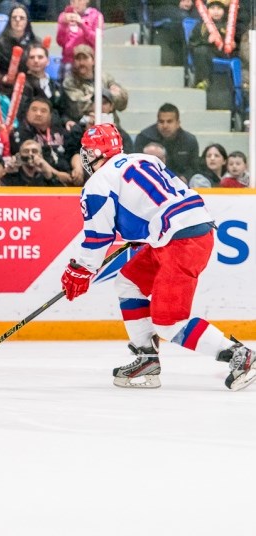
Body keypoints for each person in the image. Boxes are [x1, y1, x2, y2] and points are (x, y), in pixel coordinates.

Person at [60, 123, 256, 391]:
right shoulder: (145, 158)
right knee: (128, 282)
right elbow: (172, 194)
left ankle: (240, 356)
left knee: (168, 322)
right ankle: (146, 358)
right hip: (184, 232)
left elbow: (98, 235)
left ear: (93, 152)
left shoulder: (98, 182)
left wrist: (81, 269)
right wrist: (147, 230)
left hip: (180, 242)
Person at [61, 44, 128, 126]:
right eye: (78, 59)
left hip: (112, 126)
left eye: (85, 58)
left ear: (93, 60)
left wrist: (100, 98)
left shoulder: (105, 77)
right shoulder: (70, 82)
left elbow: (123, 103)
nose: (81, 62)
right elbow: (81, 106)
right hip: (86, 127)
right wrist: (109, 96)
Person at [133, 103, 199, 181]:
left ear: (178, 123)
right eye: (161, 121)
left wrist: (185, 178)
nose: (165, 126)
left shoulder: (190, 141)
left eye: (169, 121)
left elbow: (194, 167)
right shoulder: (144, 138)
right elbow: (135, 165)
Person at [56, 0, 101, 75]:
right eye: (73, 1)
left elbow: (97, 40)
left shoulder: (96, 16)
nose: (76, 4)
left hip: (88, 63)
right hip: (69, 62)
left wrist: (82, 25)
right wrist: (64, 25)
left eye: (79, 0)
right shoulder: (64, 16)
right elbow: (60, 42)